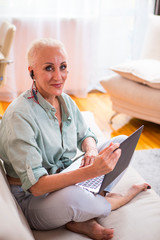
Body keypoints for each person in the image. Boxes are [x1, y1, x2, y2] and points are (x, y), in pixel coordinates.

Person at [0, 38, 150, 240]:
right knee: (75, 198)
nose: (58, 76)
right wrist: (91, 171)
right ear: (32, 72)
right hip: (34, 200)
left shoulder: (65, 101)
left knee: (119, 144)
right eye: (49, 68)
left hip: (65, 178)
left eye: (62, 67)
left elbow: (87, 135)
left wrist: (91, 152)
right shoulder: (20, 116)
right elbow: (37, 187)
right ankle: (114, 201)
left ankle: (80, 216)